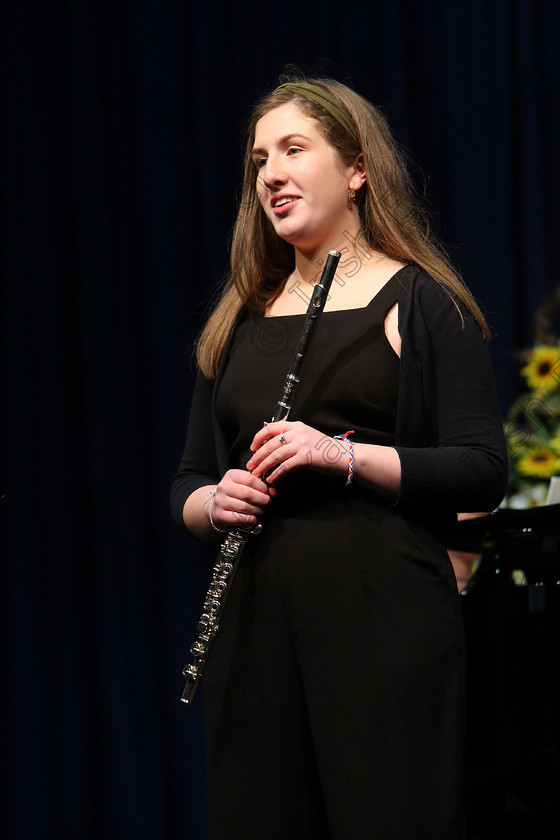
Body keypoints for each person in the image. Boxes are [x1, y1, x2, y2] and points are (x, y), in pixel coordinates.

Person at [171, 75, 508, 840]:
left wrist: (347, 459)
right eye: (260, 159)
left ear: (357, 169)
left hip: (382, 630)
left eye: (294, 149)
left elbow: (482, 466)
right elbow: (190, 480)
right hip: (254, 633)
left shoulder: (422, 303)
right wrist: (211, 503)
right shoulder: (240, 318)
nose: (270, 175)